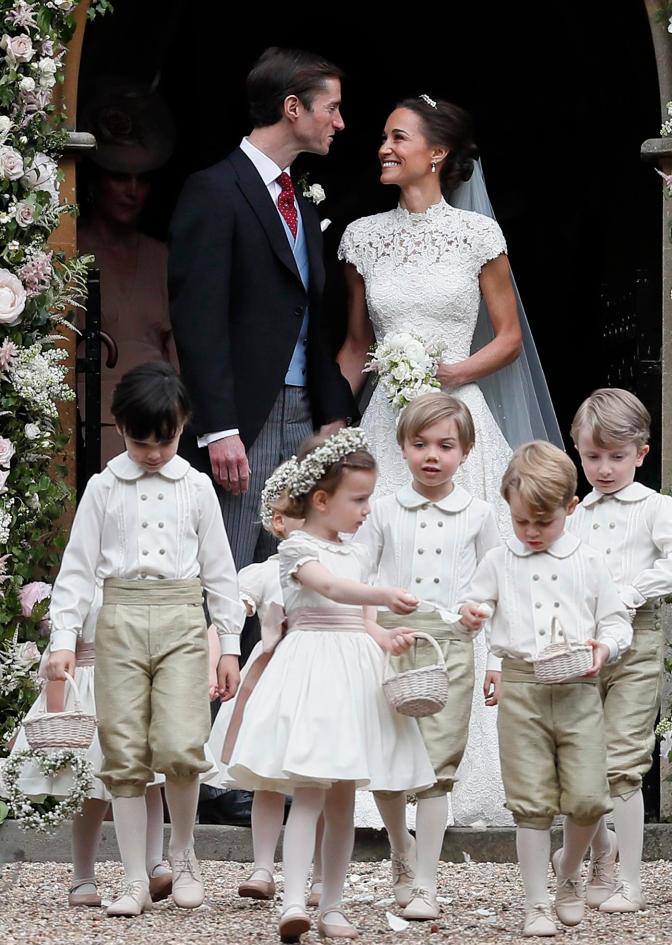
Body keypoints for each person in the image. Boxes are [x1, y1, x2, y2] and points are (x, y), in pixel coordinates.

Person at [336, 95, 553, 825]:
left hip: (459, 421)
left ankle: (473, 766)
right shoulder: (363, 237)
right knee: (377, 568)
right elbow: (354, 341)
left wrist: (448, 372)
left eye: (398, 138)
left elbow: (508, 337)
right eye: (383, 137)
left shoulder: (476, 234)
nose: (383, 148)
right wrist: (340, 426)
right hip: (385, 423)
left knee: (472, 569)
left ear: (436, 154)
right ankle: (370, 775)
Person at [46, 362, 242, 917]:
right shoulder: (104, 487)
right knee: (124, 751)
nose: (153, 452)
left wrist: (228, 644)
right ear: (119, 426)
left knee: (182, 744)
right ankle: (133, 877)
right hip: (120, 620)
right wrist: (64, 637)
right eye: (140, 440)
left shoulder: (198, 487)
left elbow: (220, 570)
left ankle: (183, 856)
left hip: (181, 616)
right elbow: (79, 567)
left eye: (166, 439)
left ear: (183, 426)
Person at [225, 429, 435, 942]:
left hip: (354, 676)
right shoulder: (297, 548)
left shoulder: (359, 554)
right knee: (310, 789)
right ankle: (293, 899)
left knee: (344, 796)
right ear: (321, 500)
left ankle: (333, 903)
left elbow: (364, 620)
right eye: (358, 499)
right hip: (312, 670)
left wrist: (388, 636)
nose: (367, 510)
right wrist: (383, 590)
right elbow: (330, 588)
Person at [169, 47, 357, 573]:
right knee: (229, 578)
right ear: (293, 108)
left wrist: (332, 410)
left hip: (305, 417)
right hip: (244, 419)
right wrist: (219, 427)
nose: (340, 123)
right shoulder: (214, 190)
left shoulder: (303, 197)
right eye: (333, 108)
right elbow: (197, 317)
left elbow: (312, 315)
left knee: (295, 577)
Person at [460, 442, 632, 936]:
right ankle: (537, 902)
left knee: (587, 797)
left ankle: (570, 872)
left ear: (570, 508)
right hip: (522, 687)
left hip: (579, 688)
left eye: (544, 523)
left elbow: (616, 620)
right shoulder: (498, 559)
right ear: (508, 510)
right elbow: (473, 601)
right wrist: (472, 615)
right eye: (521, 523)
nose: (532, 533)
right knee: (531, 802)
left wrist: (605, 649)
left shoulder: (591, 561)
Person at [354, 394, 501, 920]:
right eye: (420, 445)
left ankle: (426, 882)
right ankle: (400, 849)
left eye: (445, 446)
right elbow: (357, 577)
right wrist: (372, 627)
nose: (432, 456)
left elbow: (494, 585)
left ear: (465, 452)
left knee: (440, 766)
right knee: (391, 762)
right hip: (393, 643)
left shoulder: (480, 513)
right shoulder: (384, 511)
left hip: (451, 646)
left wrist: (483, 629)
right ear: (402, 448)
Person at [567, 389, 672, 912]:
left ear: (641, 454)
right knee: (580, 761)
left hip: (636, 638)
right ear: (578, 450)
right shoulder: (576, 514)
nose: (603, 468)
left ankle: (630, 882)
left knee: (622, 759)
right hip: (582, 643)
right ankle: (599, 851)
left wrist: (630, 590)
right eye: (592, 456)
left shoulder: (654, 507)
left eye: (616, 457)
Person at [207, 460, 325, 907]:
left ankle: (317, 875)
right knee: (269, 779)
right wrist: (221, 654)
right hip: (273, 680)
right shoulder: (262, 571)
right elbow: (231, 612)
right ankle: (261, 865)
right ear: (279, 522)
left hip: (319, 678)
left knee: (320, 777)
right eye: (304, 517)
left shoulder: (333, 568)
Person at [1, 648, 172, 908]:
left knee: (149, 778)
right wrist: (56, 713)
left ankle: (153, 865)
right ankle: (83, 877)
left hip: (130, 679)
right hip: (86, 689)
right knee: (90, 785)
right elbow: (63, 637)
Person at [78, 79, 177, 465]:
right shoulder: (69, 252)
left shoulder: (162, 257)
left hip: (160, 429)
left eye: (143, 179)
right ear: (96, 179)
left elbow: (179, 355)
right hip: (90, 429)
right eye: (120, 177)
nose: (132, 190)